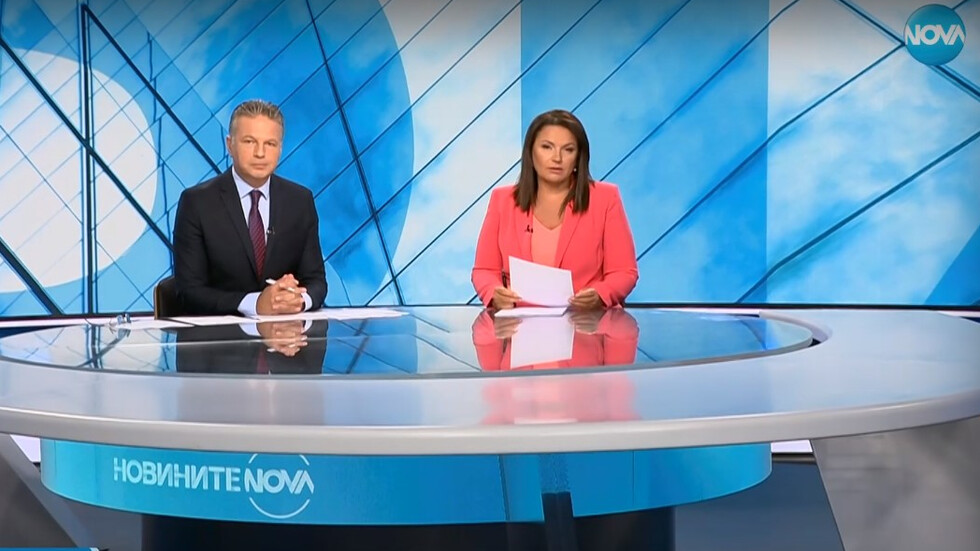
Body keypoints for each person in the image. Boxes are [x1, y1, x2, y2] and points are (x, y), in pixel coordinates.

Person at [471, 109, 638, 309]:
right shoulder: (502, 200)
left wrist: (600, 295)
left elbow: (624, 272)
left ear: (578, 157)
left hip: (587, 322)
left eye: (568, 150)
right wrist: (494, 293)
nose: (557, 158)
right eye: (547, 147)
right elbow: (484, 270)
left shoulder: (605, 198)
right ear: (531, 152)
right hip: (519, 322)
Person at [173, 99, 327, 315]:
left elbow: (316, 281)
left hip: (286, 333)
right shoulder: (197, 203)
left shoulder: (300, 201)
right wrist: (255, 304)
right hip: (221, 335)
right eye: (249, 141)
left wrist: (299, 300)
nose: (260, 153)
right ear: (230, 145)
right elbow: (189, 292)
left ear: (280, 148)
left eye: (270, 144)